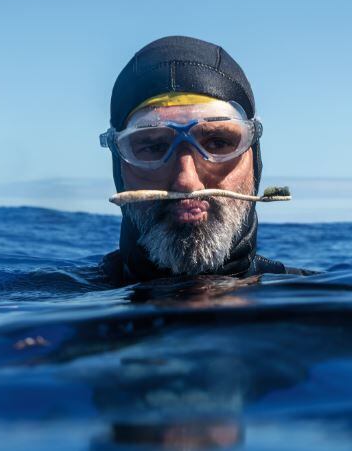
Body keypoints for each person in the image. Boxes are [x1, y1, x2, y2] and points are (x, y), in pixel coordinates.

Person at [98, 36, 312, 285]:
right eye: (155, 146)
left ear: (255, 157)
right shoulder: (56, 300)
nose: (187, 182)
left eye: (218, 143)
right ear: (119, 166)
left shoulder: (326, 308)